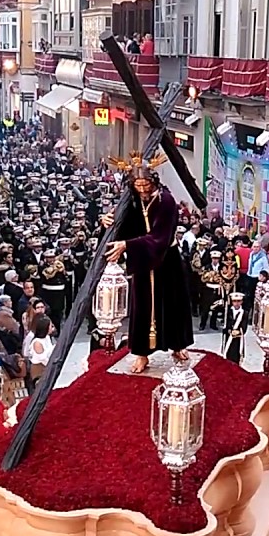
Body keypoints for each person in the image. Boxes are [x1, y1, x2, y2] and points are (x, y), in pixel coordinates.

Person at [102, 154, 194, 374]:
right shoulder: (132, 199)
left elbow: (160, 236)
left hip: (167, 260)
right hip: (144, 261)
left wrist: (128, 246)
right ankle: (142, 353)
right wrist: (107, 221)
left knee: (172, 304)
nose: (142, 190)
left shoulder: (166, 201)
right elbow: (124, 225)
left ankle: (177, 345)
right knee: (142, 307)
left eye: (146, 185)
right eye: (138, 185)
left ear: (154, 182)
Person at [223, 292, 249, 364]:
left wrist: (238, 332)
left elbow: (244, 327)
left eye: (238, 301)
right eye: (234, 301)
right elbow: (226, 323)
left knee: (236, 355)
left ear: (241, 302)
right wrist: (228, 330)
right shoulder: (228, 311)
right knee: (228, 353)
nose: (236, 303)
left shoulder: (244, 313)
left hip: (238, 338)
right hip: (229, 336)